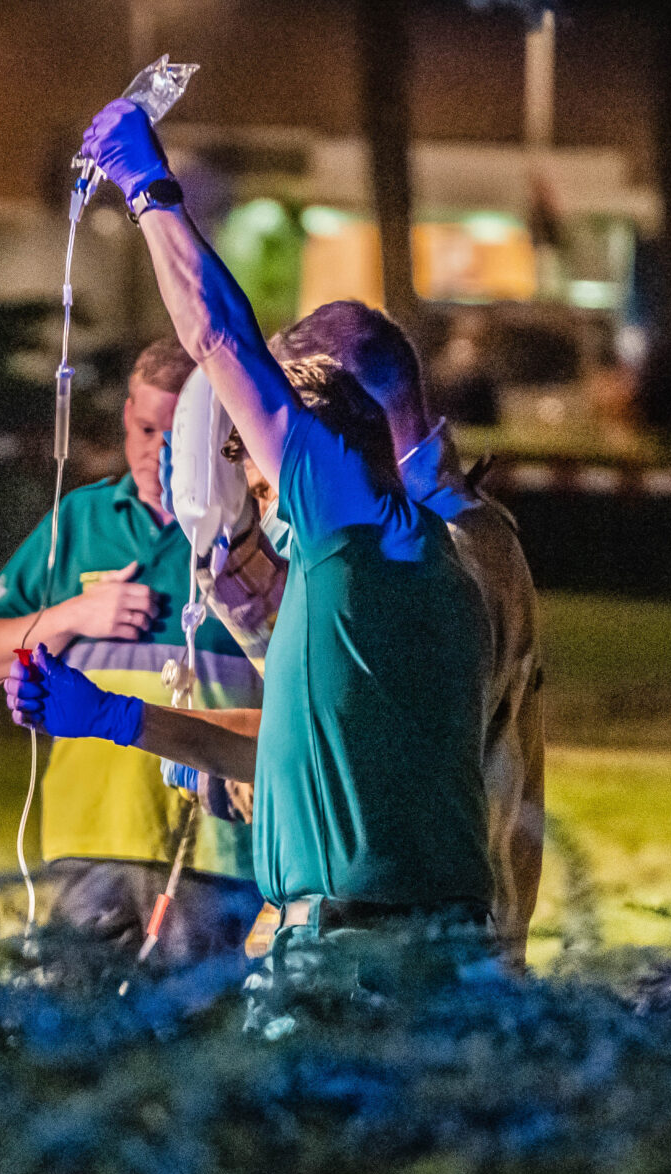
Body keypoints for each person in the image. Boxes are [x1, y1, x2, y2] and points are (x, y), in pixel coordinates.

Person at [9, 99, 493, 1003]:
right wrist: (111, 717)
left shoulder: (351, 533)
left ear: (316, 461)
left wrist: (146, 184)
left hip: (352, 964)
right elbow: (283, 748)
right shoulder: (432, 569)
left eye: (262, 477)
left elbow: (218, 336)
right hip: (436, 953)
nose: (258, 508)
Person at [223, 301, 542, 968]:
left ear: (343, 409)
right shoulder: (428, 530)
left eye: (290, 421)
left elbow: (389, 750)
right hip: (414, 933)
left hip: (398, 944)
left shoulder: (439, 545)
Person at [0, 339, 264, 964]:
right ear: (127, 416)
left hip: (216, 842)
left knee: (202, 1036)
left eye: (175, 432)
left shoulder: (245, 529)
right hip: (90, 834)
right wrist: (76, 615)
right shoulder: (82, 519)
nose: (158, 450)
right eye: (147, 427)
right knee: (84, 1033)